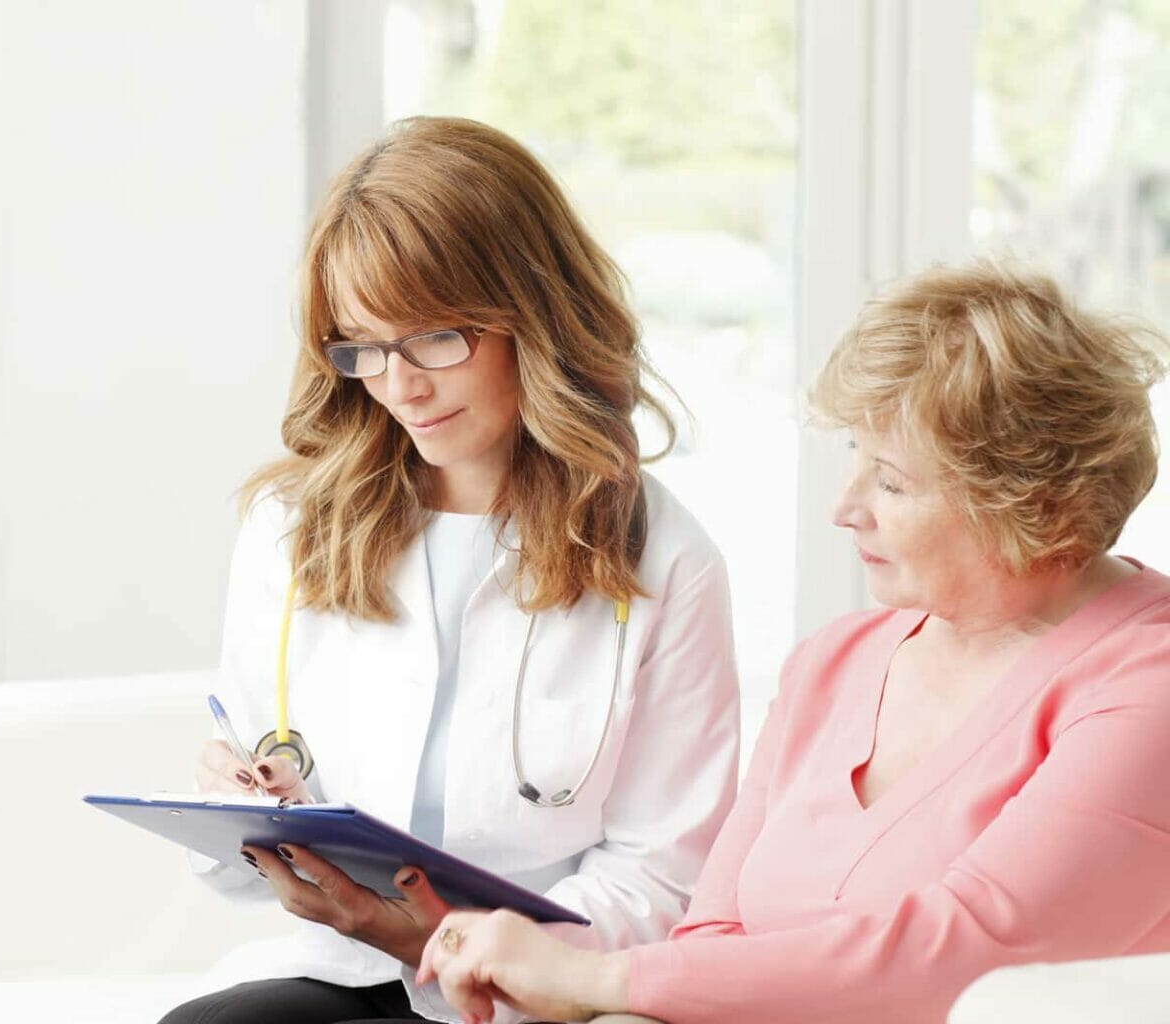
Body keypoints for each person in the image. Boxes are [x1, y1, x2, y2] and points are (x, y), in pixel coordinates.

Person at [415, 259, 1170, 1024]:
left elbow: (967, 954)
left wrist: (597, 979)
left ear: (1030, 506)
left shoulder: (1147, 684)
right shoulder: (835, 663)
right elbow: (711, 936)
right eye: (854, 459)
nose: (846, 508)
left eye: (893, 482)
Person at [158, 116, 741, 1024]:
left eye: (434, 337)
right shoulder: (294, 527)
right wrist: (240, 801)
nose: (399, 386)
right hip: (339, 970)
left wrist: (450, 942)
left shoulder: (667, 563)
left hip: (535, 995)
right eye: (362, 346)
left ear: (535, 313)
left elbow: (664, 877)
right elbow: (258, 777)